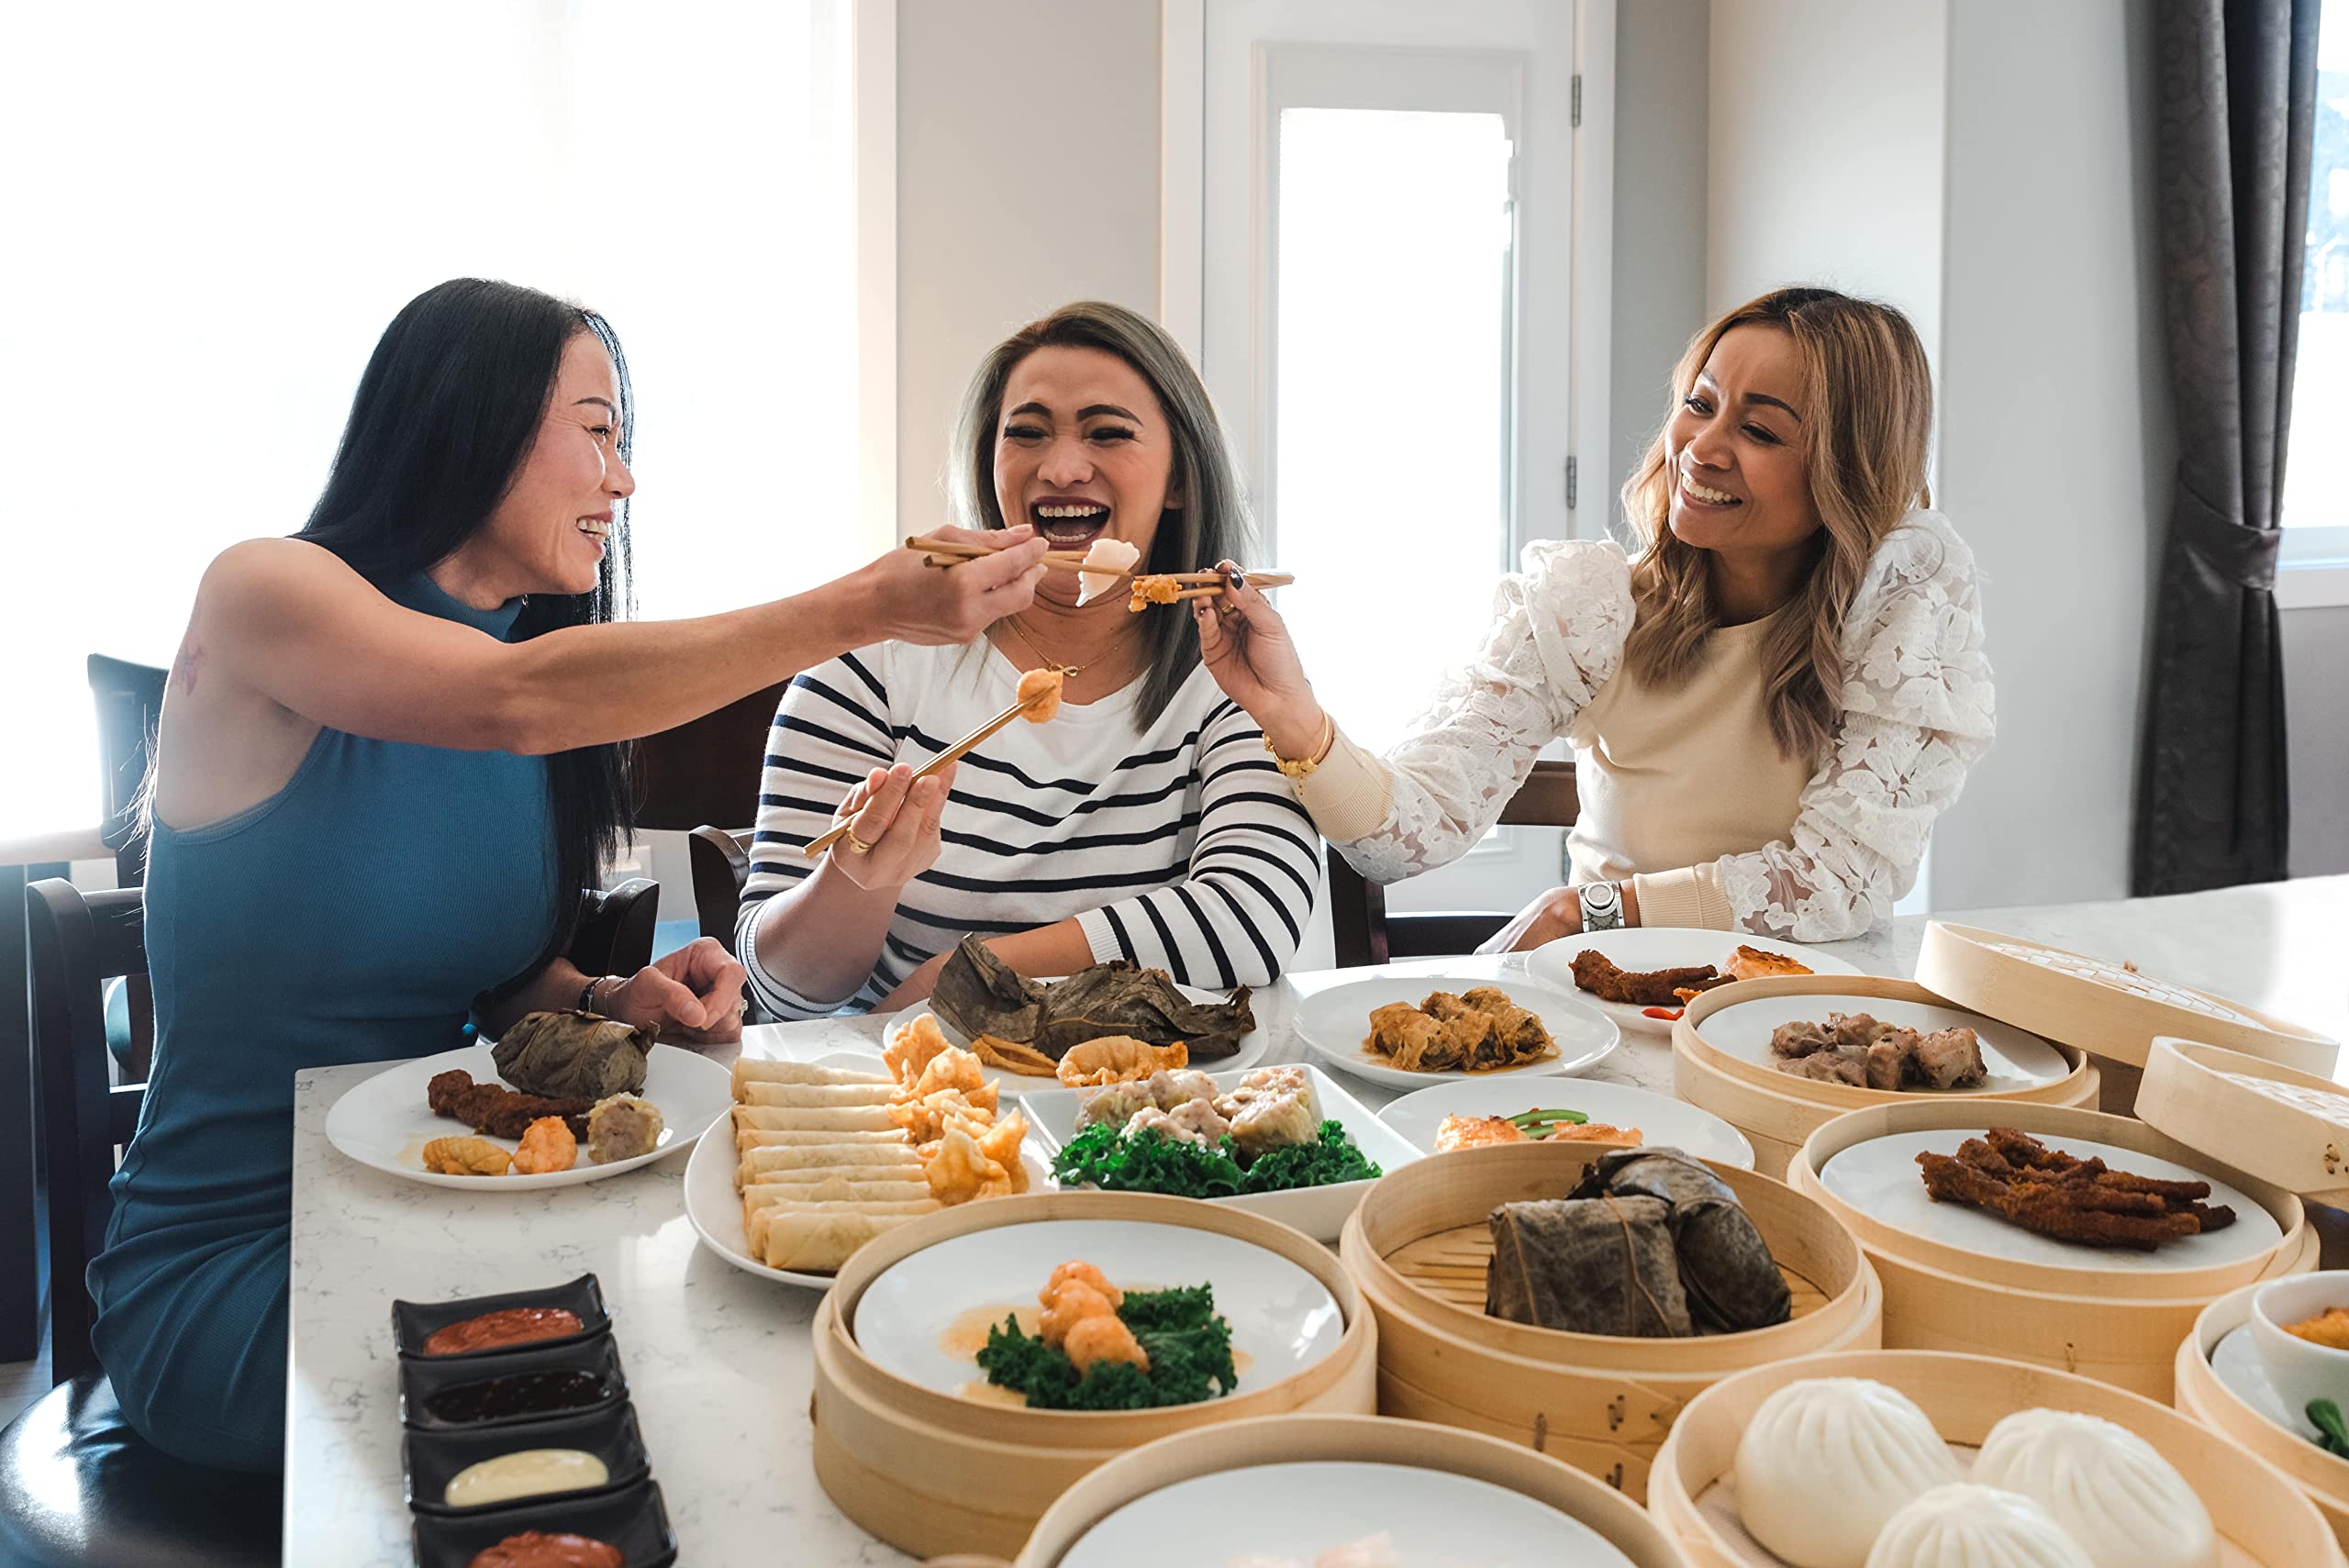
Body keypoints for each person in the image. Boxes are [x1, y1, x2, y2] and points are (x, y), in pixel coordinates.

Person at [90, 277, 1048, 1472]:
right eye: (598, 431)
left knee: (764, 1330)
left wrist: (608, 999)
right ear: (466, 417)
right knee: (655, 1395)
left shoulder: (527, 665)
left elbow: (487, 991)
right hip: (239, 1257)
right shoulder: (264, 597)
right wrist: (869, 603)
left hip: (451, 1210)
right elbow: (514, 707)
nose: (624, 479)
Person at [1195, 285, 1994, 947]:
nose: (1700, 447)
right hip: (1608, 1004)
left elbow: (1835, 881)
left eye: (1758, 429)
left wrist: (1592, 910)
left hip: (1802, 1029)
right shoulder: (1591, 609)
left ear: (1848, 468)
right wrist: (1290, 710)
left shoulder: (1903, 610)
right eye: (1700, 403)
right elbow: (1413, 827)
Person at [737, 301, 1320, 1016]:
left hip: (1151, 1099)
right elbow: (780, 990)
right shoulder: (870, 668)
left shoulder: (1234, 670)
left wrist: (965, 974)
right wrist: (856, 883)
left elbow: (1252, 919)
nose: (1064, 466)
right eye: (1026, 433)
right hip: (917, 1099)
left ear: (1180, 481)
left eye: (1108, 433)